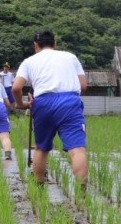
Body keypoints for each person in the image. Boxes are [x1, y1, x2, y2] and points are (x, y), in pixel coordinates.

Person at [12, 29, 88, 187]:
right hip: (70, 101)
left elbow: (16, 88)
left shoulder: (29, 61)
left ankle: (39, 186)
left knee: (42, 147)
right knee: (77, 149)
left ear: (35, 45)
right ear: (55, 44)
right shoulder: (70, 57)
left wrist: (20, 104)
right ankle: (82, 190)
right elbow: (83, 85)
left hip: (43, 102)